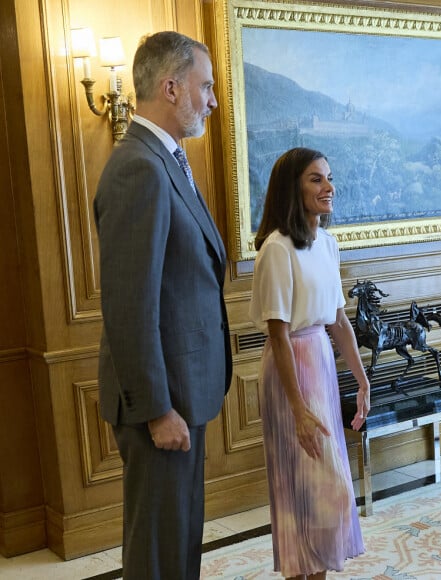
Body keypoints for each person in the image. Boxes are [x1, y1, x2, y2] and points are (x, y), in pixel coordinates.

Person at [93, 31, 232, 580]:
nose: (212, 100)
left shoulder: (167, 160)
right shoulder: (139, 167)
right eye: (206, 87)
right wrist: (157, 410)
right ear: (171, 88)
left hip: (184, 393)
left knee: (178, 543)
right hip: (162, 403)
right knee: (156, 553)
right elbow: (129, 306)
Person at [249, 147, 370, 579]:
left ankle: (313, 573)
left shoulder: (329, 243)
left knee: (327, 493)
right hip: (291, 372)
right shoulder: (277, 250)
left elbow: (338, 319)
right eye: (316, 179)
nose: (329, 187)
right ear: (292, 188)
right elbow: (278, 334)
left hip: (319, 361)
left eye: (329, 178)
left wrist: (361, 379)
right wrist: (298, 408)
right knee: (311, 490)